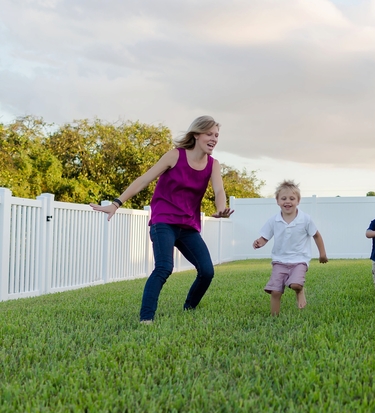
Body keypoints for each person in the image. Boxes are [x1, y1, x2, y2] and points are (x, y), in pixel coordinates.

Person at [90, 116, 233, 324]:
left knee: (207, 271)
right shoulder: (175, 156)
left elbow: (219, 190)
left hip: (188, 225)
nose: (214, 139)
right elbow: (143, 180)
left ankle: (189, 308)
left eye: (217, 135)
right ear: (196, 134)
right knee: (164, 267)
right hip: (164, 221)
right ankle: (146, 318)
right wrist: (116, 203)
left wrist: (221, 209)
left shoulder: (213, 165)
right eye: (209, 134)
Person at [252, 180, 328, 316]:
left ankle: (300, 291)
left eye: (292, 198)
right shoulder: (273, 220)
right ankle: (274, 317)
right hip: (279, 261)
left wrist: (322, 254)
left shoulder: (305, 219)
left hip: (299, 260)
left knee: (296, 284)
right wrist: (259, 242)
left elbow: (316, 235)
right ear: (277, 201)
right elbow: (265, 237)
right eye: (284, 198)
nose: (288, 201)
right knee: (275, 291)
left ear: (298, 201)